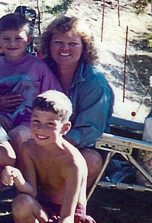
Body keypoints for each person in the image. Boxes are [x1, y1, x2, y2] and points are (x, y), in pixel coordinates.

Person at [2, 91, 100, 223]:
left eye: (50, 124)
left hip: (69, 219)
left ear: (64, 128)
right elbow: (31, 191)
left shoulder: (73, 162)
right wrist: (17, 177)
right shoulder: (28, 148)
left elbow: (68, 215)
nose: (41, 129)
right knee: (21, 202)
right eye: (36, 122)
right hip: (45, 211)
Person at [12, 15, 114, 189]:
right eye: (58, 42)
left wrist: (51, 147)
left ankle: (63, 209)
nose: (65, 48)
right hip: (41, 135)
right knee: (20, 136)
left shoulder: (95, 83)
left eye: (73, 44)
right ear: (49, 45)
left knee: (90, 160)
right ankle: (25, 194)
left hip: (75, 145)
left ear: (84, 47)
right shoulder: (39, 68)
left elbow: (87, 132)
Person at [0, 13, 62, 138]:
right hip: (1, 121)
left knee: (17, 135)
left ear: (28, 40)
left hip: (31, 122)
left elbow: (55, 97)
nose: (12, 43)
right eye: (6, 39)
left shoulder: (38, 67)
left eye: (18, 39)